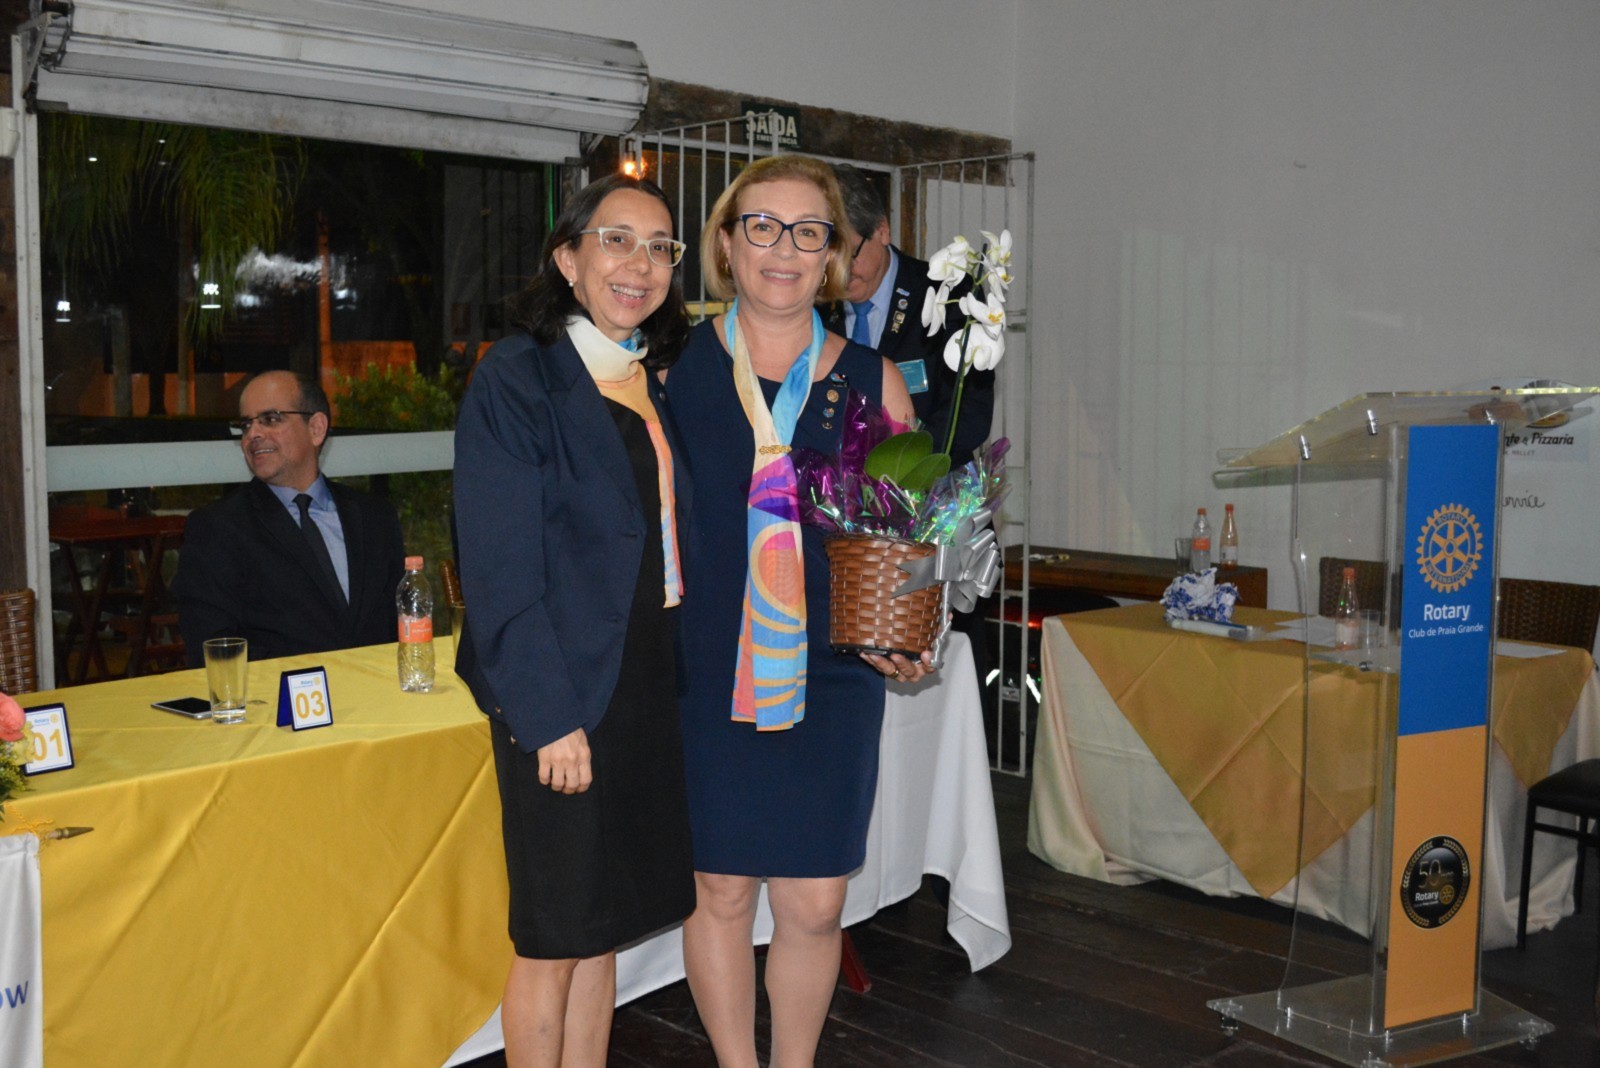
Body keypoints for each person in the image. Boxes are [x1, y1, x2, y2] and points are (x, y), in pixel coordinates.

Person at [665, 154, 935, 1068]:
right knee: (720, 890)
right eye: (763, 227)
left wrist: (906, 626)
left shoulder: (873, 378)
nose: (784, 249)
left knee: (816, 902)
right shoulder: (673, 371)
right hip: (706, 663)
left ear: (830, 256)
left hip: (832, 668)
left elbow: (902, 536)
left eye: (808, 231)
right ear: (727, 244)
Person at [452, 174, 695, 1068]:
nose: (640, 263)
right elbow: (499, 569)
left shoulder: (642, 376)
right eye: (616, 240)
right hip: (560, 688)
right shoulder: (519, 377)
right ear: (567, 260)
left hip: (641, 679)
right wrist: (549, 717)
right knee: (553, 935)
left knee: (603, 926)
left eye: (660, 246)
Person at [174, 370, 404, 665]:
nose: (253, 434)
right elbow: (214, 650)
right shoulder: (217, 528)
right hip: (276, 694)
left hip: (376, 688)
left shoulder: (375, 517)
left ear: (316, 428)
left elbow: (402, 623)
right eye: (245, 424)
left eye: (270, 419)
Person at [824, 163, 994, 467]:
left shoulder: (949, 294)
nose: (840, 272)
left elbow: (970, 414)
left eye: (850, 255)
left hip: (929, 485)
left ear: (882, 230)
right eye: (827, 259)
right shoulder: (813, 303)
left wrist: (900, 469)